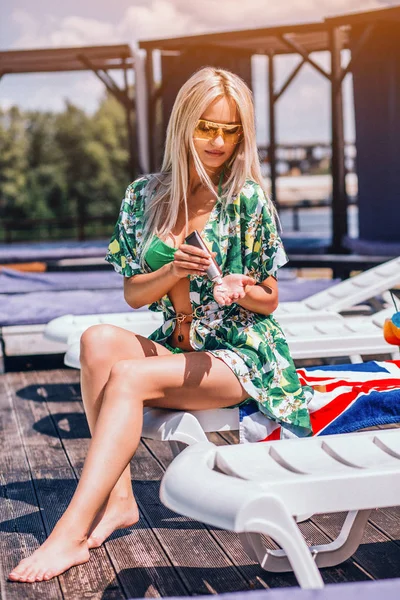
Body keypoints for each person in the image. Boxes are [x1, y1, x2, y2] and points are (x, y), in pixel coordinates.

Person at [9, 66, 312, 583]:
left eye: (230, 129)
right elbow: (133, 293)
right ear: (183, 126)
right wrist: (169, 269)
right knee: (97, 342)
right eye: (206, 127)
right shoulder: (143, 197)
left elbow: (271, 297)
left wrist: (241, 286)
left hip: (242, 356)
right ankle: (121, 499)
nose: (218, 141)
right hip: (180, 347)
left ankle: (70, 533)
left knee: (127, 375)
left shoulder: (246, 200)